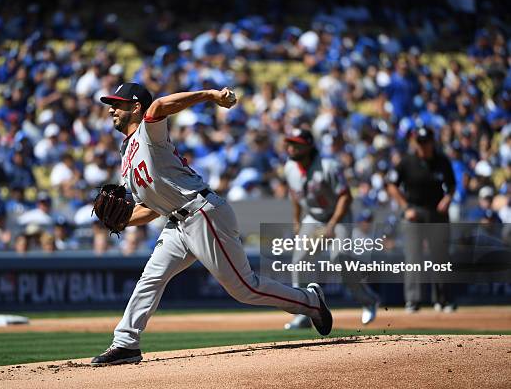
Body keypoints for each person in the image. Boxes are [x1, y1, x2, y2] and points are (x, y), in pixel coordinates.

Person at [91, 83, 332, 366]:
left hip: (202, 213)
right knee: (150, 278)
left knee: (245, 289)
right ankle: (126, 343)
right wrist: (121, 221)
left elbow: (157, 108)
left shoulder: (148, 132)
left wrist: (210, 95)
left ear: (135, 107)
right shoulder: (126, 154)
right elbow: (152, 209)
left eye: (117, 104)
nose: (111, 110)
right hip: (176, 223)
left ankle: (311, 301)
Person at [283, 128, 380, 328]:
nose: (291, 147)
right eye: (289, 143)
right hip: (314, 216)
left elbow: (346, 196)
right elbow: (295, 194)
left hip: (339, 215)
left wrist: (332, 225)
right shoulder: (289, 168)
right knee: (299, 260)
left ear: (308, 146)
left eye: (296, 143)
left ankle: (368, 300)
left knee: (340, 258)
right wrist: (296, 219)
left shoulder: (328, 166)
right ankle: (303, 313)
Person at [386, 127, 456, 313]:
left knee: (440, 257)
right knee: (413, 258)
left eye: (426, 141)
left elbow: (451, 185)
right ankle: (413, 301)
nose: (423, 145)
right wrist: (405, 207)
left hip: (437, 213)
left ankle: (442, 300)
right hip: (414, 213)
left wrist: (448, 198)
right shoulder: (407, 162)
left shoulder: (442, 161)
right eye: (420, 142)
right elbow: (391, 184)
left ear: (433, 142)